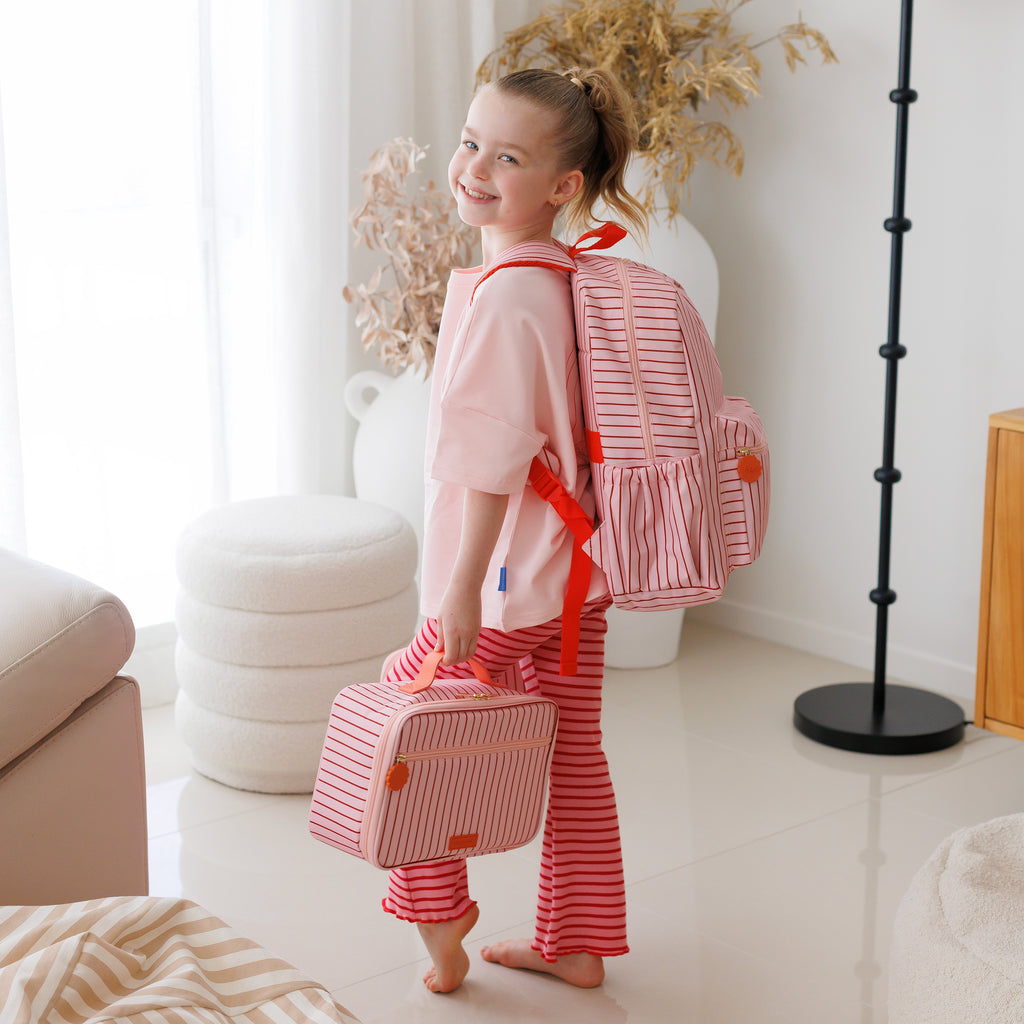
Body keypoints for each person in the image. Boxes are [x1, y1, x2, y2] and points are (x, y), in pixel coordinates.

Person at [379, 65, 648, 994]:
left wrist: (456, 592)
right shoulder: (566, 276)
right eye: (469, 142)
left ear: (563, 186)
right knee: (573, 765)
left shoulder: (508, 296)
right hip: (575, 580)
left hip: (500, 590)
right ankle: (578, 941)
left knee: (413, 731)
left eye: (508, 157)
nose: (474, 169)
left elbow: (490, 466)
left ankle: (439, 913)